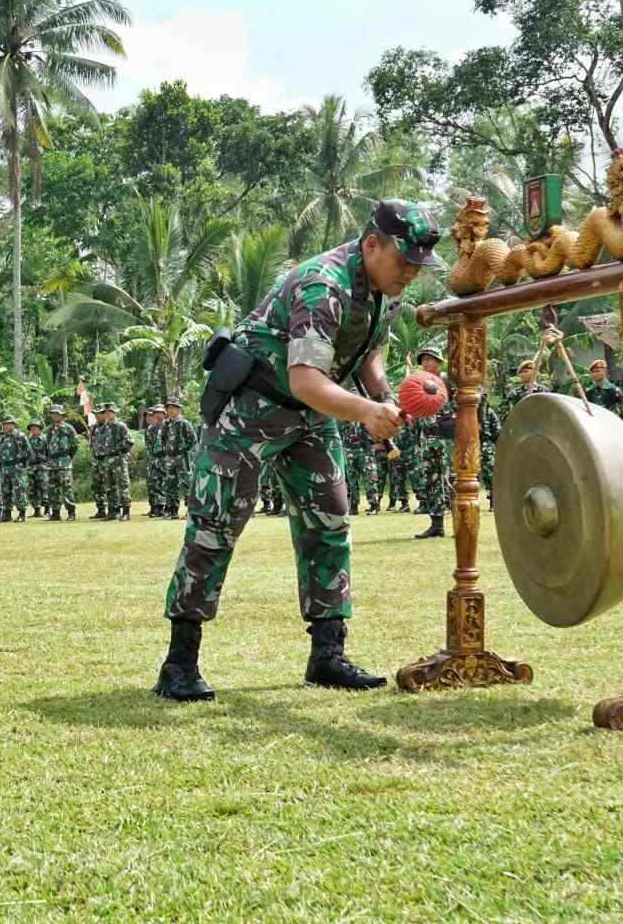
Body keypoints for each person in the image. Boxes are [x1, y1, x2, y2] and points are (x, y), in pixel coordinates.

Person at [156, 199, 438, 701]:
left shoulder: (382, 288)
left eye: (419, 264)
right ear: (372, 245)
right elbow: (306, 379)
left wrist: (384, 398)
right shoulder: (322, 285)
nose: (411, 273)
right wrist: (365, 413)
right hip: (254, 406)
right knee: (215, 525)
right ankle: (179, 663)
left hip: (311, 414)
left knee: (330, 521)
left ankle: (327, 655)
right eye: (405, 261)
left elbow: (368, 349)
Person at [414, 344, 453, 539]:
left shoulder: (447, 380)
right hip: (428, 439)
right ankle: (437, 525)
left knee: (450, 480)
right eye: (423, 360)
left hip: (445, 438)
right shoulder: (420, 384)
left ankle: (462, 522)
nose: (425, 362)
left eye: (429, 359)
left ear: (439, 361)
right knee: (431, 481)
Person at [161, 400, 197, 520]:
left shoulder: (184, 423)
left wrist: (182, 449)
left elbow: (193, 440)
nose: (170, 410)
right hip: (169, 459)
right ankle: (172, 510)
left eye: (173, 408)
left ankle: (191, 511)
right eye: (168, 408)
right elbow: (163, 439)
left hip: (183, 459)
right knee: (170, 484)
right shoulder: (166, 424)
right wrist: (166, 451)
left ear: (178, 409)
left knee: (188, 484)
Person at [44, 405, 78, 522]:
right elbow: (45, 447)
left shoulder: (68, 429)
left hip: (64, 462)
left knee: (66, 488)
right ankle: (55, 513)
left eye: (57, 413)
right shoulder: (48, 430)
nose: (55, 415)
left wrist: (68, 458)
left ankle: (71, 512)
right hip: (52, 463)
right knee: (53, 489)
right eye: (53, 413)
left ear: (62, 415)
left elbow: (75, 445)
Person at [99, 404, 132, 520]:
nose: (108, 414)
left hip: (119, 459)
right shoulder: (104, 427)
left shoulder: (120, 426)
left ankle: (126, 512)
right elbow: (101, 443)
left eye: (110, 411)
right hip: (107, 460)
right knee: (109, 486)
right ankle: (113, 511)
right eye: (106, 412)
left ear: (115, 412)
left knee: (122, 484)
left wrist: (120, 450)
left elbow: (129, 441)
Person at [144, 405, 167, 516]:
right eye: (155, 413)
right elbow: (149, 445)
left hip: (166, 459)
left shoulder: (168, 426)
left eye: (160, 412)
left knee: (165, 483)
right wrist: (152, 459)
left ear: (164, 414)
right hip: (154, 460)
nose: (157, 415)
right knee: (154, 484)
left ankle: (166, 508)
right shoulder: (150, 429)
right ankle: (155, 508)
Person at [25, 421, 49, 517]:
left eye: (35, 427)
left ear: (39, 428)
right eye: (32, 428)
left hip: (43, 466)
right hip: (31, 467)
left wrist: (47, 462)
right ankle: (36, 510)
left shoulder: (45, 439)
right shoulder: (28, 440)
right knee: (32, 489)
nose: (33, 429)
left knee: (44, 487)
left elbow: (50, 452)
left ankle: (48, 509)